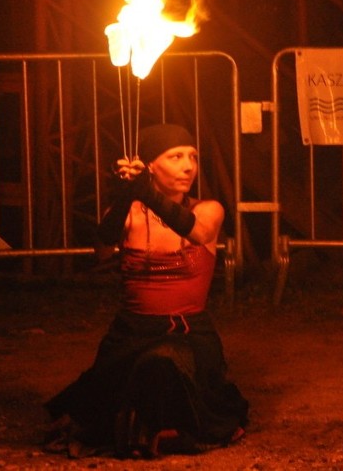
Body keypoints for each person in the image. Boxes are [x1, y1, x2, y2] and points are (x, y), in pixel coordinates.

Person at [44, 123, 248, 459]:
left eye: (193, 157)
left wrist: (147, 193)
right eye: (175, 156)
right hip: (131, 333)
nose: (188, 166)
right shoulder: (128, 215)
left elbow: (195, 232)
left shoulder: (208, 210)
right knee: (132, 371)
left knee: (162, 362)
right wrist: (124, 196)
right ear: (150, 165)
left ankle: (160, 426)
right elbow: (103, 249)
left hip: (187, 333)